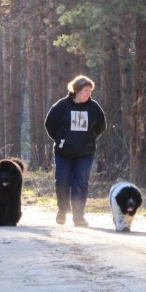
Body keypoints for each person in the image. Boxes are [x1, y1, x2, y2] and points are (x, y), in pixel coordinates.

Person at [45, 75, 106, 227]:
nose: (88, 94)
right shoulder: (62, 106)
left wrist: (89, 139)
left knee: (81, 183)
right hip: (63, 153)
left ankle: (78, 217)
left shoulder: (94, 108)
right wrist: (60, 139)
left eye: (90, 91)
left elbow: (101, 126)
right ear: (77, 90)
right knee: (62, 181)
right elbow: (49, 124)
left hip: (85, 153)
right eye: (86, 90)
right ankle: (62, 210)